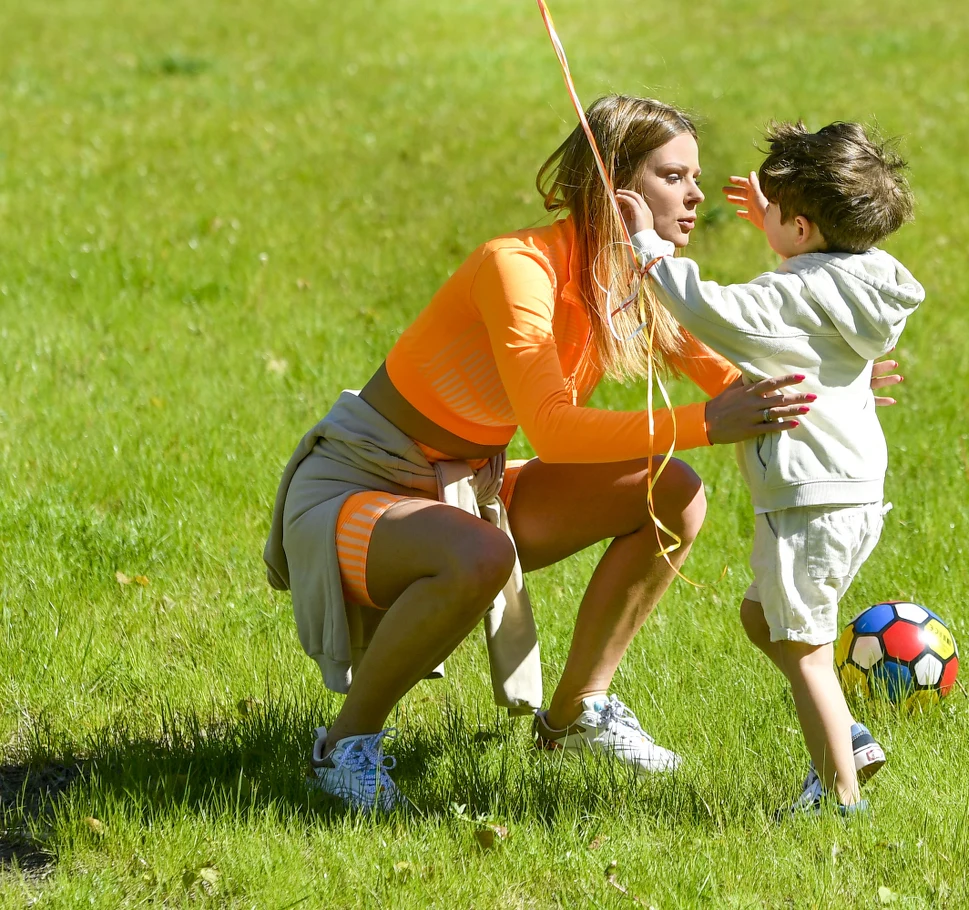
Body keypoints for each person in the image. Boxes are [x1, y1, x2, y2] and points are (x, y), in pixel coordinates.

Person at [262, 96, 904, 811]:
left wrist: (828, 380)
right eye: (673, 176)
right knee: (479, 555)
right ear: (615, 187)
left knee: (675, 493)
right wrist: (708, 422)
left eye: (695, 176)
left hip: (469, 489)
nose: (696, 195)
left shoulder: (633, 282)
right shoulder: (517, 267)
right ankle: (342, 748)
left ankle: (574, 717)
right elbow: (556, 432)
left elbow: (732, 380)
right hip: (355, 489)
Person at [616, 120, 923, 817]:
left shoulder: (790, 297)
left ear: (804, 228)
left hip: (808, 503)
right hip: (851, 498)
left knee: (804, 646)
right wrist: (778, 230)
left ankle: (840, 797)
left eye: (775, 213)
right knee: (765, 617)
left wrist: (649, 247)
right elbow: (804, 291)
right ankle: (848, 740)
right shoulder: (856, 284)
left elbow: (708, 311)